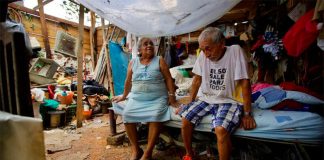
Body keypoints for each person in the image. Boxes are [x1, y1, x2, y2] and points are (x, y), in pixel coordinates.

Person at [178, 27, 257, 160]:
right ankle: (189, 154)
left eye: (208, 48)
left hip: (229, 100)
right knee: (185, 119)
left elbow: (245, 83)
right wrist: (190, 102)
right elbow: (197, 80)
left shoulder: (235, 51)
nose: (206, 54)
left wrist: (247, 113)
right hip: (207, 98)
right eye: (202, 49)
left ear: (221, 43)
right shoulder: (203, 55)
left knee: (220, 129)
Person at [112, 37, 178, 160]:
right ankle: (136, 150)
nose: (149, 46)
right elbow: (128, 81)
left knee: (156, 116)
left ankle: (147, 153)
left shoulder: (160, 60)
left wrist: (172, 97)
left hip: (157, 98)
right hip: (137, 99)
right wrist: (124, 96)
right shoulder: (133, 62)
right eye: (145, 44)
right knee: (127, 115)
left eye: (151, 44)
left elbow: (169, 79)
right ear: (139, 49)